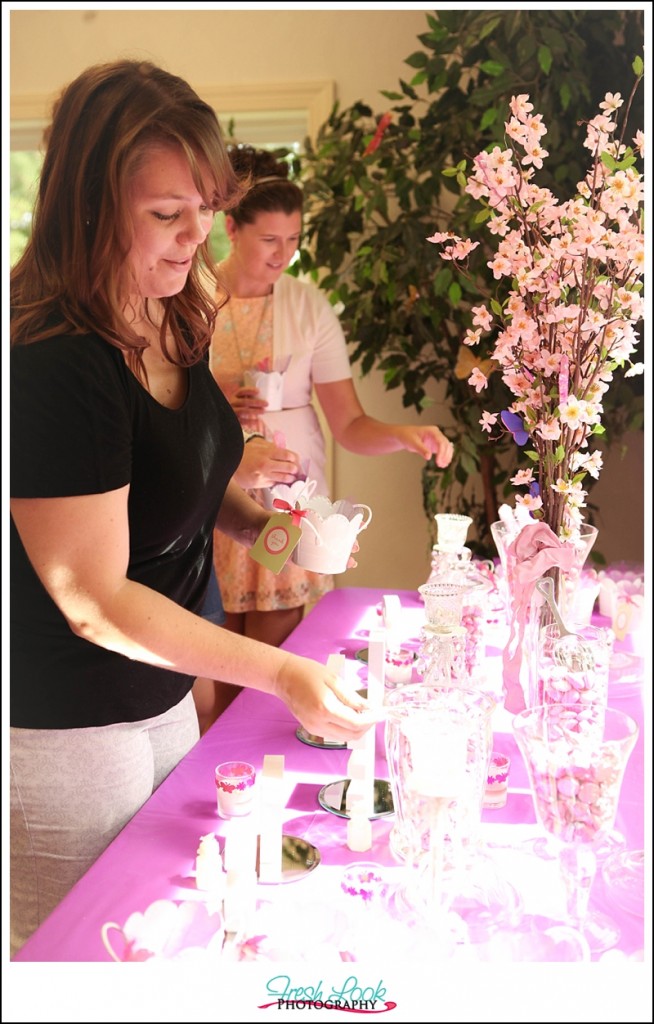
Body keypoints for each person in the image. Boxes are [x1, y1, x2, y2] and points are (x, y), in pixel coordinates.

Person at [9, 60, 376, 958]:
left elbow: (178, 480)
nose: (195, 238)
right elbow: (93, 600)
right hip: (65, 730)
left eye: (206, 208)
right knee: (94, 968)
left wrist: (262, 523)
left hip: (163, 698)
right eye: (166, 215)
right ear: (89, 208)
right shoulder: (54, 361)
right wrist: (283, 672)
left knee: (187, 941)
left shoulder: (173, 313)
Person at [194, 144, 455, 732]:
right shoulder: (192, 297)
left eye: (293, 241)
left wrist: (405, 436)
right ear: (231, 228)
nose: (283, 255)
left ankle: (259, 780)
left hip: (288, 494)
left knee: (274, 670)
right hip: (211, 488)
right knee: (210, 673)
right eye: (269, 241)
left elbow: (351, 425)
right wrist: (213, 397)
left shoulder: (309, 307)